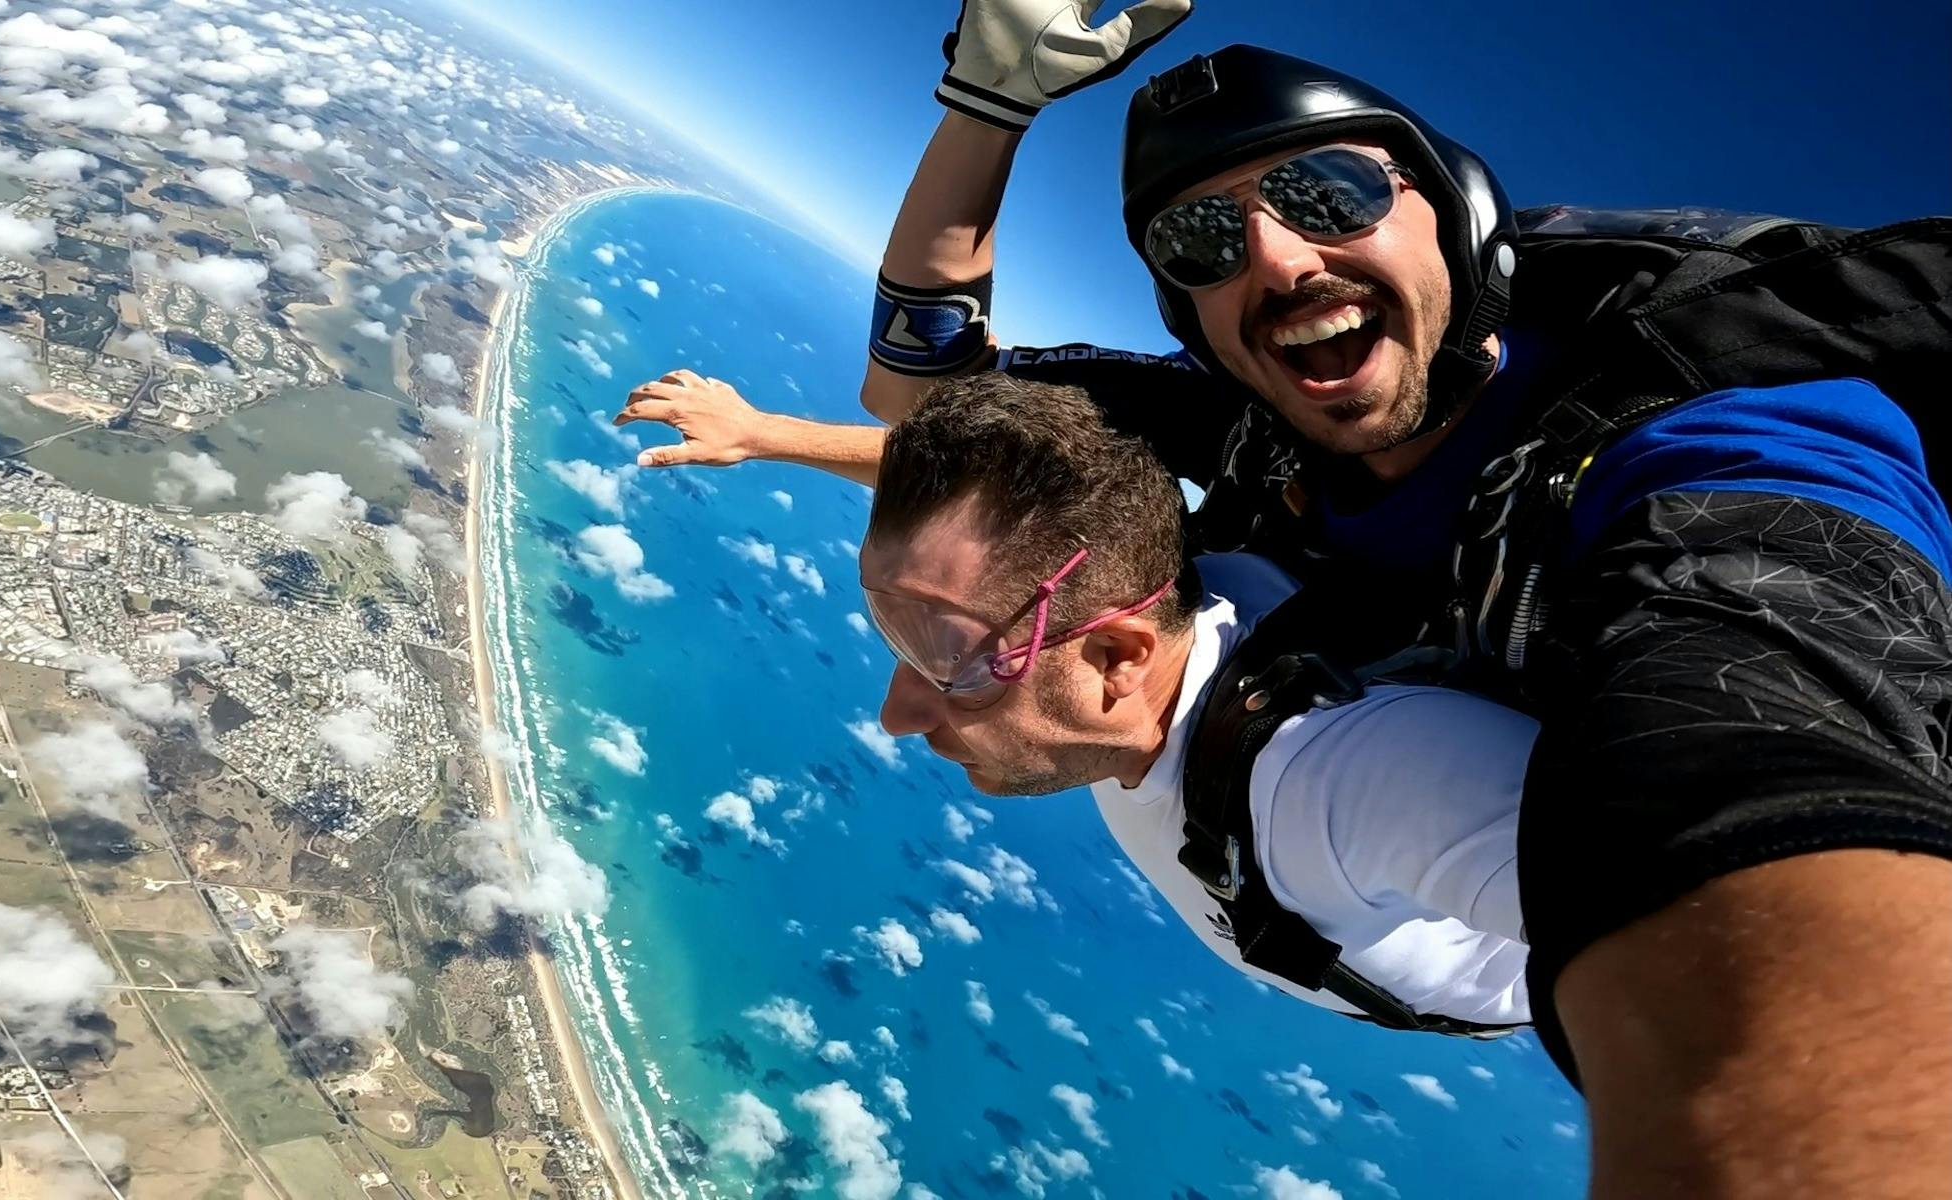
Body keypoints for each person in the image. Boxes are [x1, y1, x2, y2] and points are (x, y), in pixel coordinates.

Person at [620, 3, 1952, 1193]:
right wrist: (981, 116)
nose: (1272, 256)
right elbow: (942, 417)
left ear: (1455, 210)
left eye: (1323, 193)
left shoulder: (1728, 434)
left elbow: (1746, 748)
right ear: (1191, 314)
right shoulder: (1260, 420)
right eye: (1203, 238)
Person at [864, 370, 1537, 1032]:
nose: (896, 716)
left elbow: (1644, 949)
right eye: (899, 637)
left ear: (1117, 660)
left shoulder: (1350, 782)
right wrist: (770, 436)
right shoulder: (1137, 589)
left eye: (950, 663)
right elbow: (973, 559)